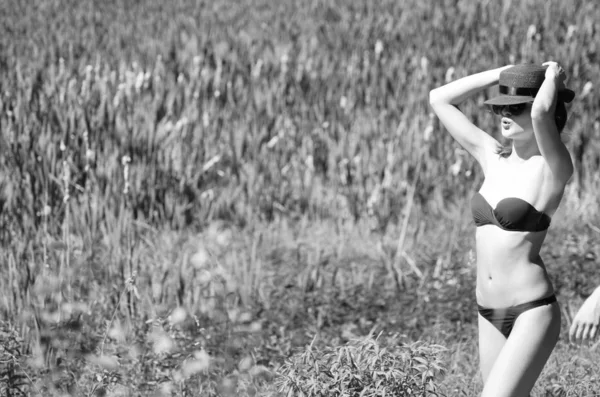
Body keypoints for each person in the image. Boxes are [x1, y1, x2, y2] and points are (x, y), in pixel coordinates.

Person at [429, 62, 575, 397]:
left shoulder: (553, 168)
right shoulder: (490, 156)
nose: (505, 115)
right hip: (487, 311)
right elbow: (439, 98)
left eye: (515, 108)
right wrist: (503, 73)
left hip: (531, 310)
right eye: (501, 108)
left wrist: (551, 77)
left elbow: (540, 114)